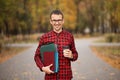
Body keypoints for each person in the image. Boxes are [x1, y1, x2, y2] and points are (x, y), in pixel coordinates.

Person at [34, 9, 78, 80]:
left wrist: (72, 55)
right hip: (50, 76)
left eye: (59, 20)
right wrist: (43, 68)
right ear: (51, 21)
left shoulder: (69, 36)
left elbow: (75, 54)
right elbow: (37, 56)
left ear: (63, 21)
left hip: (66, 76)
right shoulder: (44, 37)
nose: (57, 23)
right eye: (54, 20)